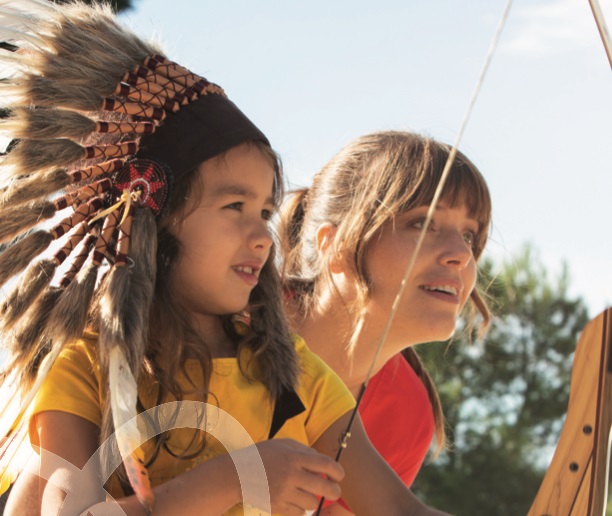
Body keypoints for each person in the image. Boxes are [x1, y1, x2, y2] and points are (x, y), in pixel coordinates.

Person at [0, 3, 450, 515]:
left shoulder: (296, 375)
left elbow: (399, 510)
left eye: (264, 210)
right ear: (157, 219)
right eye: (234, 206)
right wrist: (238, 476)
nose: (262, 234)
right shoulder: (88, 368)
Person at [279, 130, 492, 514]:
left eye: (469, 235)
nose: (462, 254)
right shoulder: (228, 325)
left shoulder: (407, 413)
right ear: (338, 246)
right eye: (423, 223)